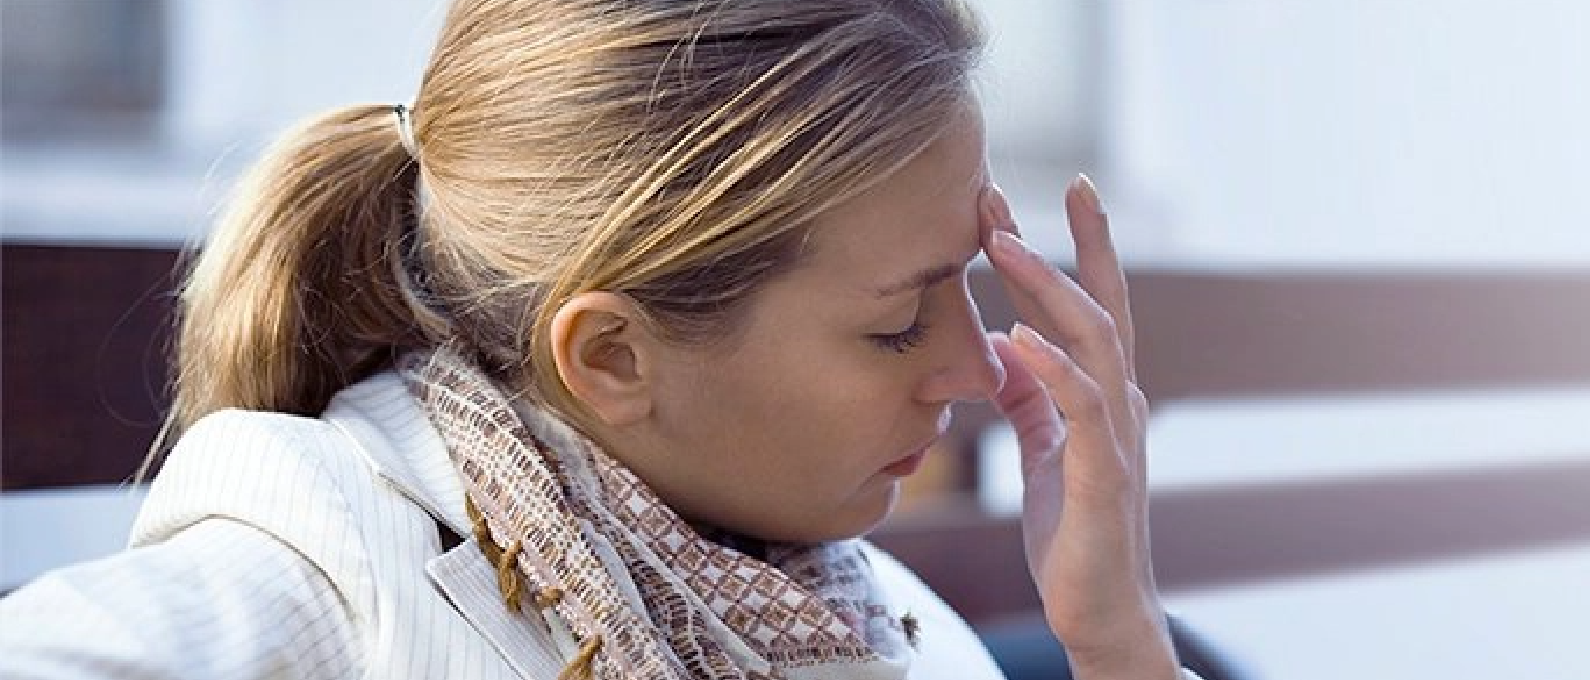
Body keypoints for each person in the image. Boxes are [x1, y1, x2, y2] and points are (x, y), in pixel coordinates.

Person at [0, 1, 1197, 678]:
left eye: (968, 285)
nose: (980, 368)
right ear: (614, 357)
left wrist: (1120, 638)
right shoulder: (329, 572)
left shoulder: (853, 606)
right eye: (897, 322)